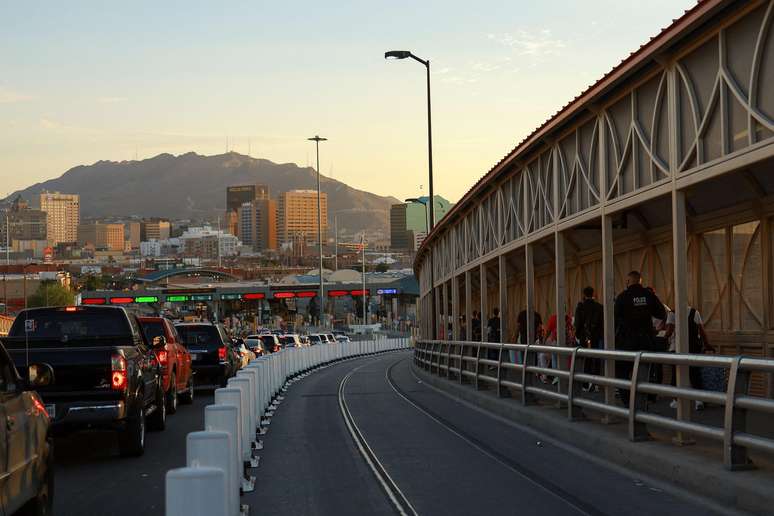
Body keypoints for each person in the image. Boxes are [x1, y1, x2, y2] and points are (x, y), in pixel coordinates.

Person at [614, 271, 666, 407]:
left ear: (628, 281)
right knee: (644, 372)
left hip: (627, 341)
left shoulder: (622, 297)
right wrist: (654, 329)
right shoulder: (649, 295)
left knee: (622, 372)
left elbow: (614, 319)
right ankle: (643, 401)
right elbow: (661, 313)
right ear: (640, 281)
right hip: (645, 340)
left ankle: (629, 403)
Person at [666, 305, 714, 410]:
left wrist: (663, 335)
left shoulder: (672, 313)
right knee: (695, 374)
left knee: (676, 374)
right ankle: (699, 401)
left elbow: (669, 331)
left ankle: (677, 400)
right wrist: (707, 344)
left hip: (676, 349)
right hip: (693, 349)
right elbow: (702, 331)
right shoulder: (694, 312)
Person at [574, 287, 603, 391]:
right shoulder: (599, 307)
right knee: (597, 359)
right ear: (593, 293)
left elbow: (577, 323)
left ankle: (586, 384)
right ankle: (596, 384)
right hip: (597, 337)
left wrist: (577, 335)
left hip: (584, 337)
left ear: (583, 294)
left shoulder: (581, 307)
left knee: (587, 360)